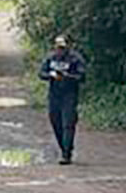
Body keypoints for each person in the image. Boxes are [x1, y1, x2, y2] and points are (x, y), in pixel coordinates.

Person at [37, 33, 88, 164]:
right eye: (58, 47)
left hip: (69, 94)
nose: (60, 50)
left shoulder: (76, 59)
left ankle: (66, 154)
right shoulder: (50, 58)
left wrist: (67, 76)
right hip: (54, 95)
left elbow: (82, 77)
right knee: (55, 122)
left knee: (68, 123)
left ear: (68, 47)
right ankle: (64, 147)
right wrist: (51, 75)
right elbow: (41, 73)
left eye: (63, 48)